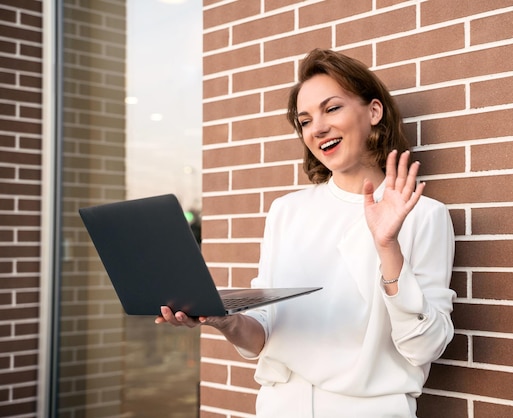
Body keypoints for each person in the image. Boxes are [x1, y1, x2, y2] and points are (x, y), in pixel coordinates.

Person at [157, 48, 456, 417]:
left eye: (332, 109)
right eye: (305, 120)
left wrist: (387, 246)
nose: (317, 128)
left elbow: (424, 347)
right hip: (279, 406)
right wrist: (226, 320)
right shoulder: (287, 211)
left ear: (374, 112)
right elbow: (263, 335)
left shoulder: (425, 216)